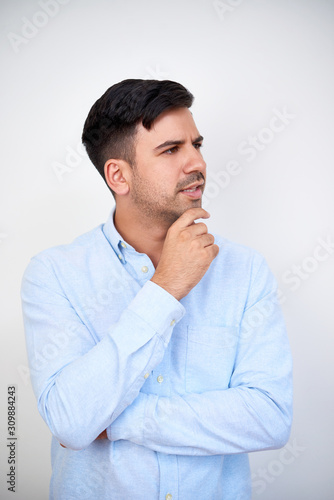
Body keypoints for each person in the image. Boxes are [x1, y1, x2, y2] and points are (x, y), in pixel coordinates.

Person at [21, 79, 293, 500]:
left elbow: (270, 418)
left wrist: (117, 422)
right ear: (119, 175)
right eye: (171, 150)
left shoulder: (245, 271)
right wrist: (165, 288)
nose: (196, 162)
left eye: (196, 144)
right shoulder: (55, 275)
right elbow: (71, 421)